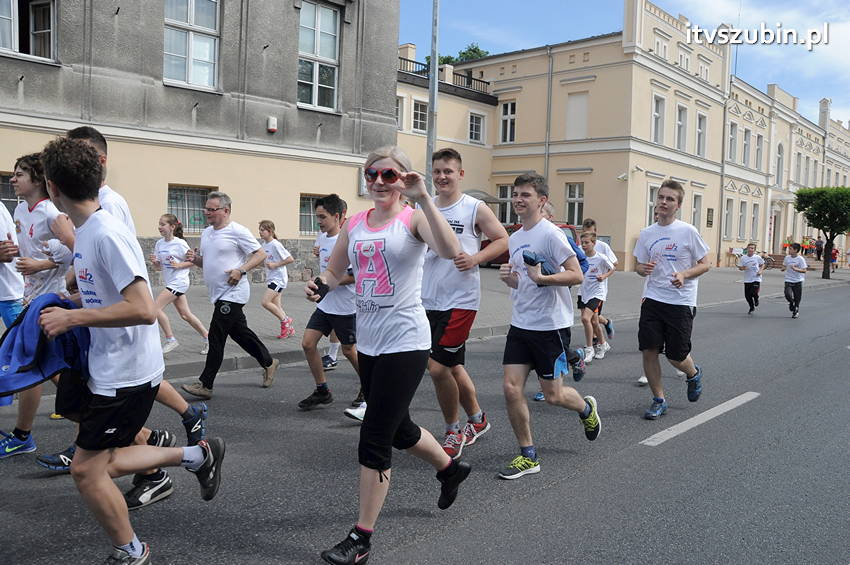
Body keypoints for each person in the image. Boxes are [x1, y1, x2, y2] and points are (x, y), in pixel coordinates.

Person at [37, 137, 225, 564]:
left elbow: (142, 309)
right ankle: (198, 454)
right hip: (112, 366)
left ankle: (132, 551)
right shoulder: (88, 231)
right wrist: (74, 304)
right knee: (104, 462)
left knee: (87, 470)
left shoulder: (104, 233)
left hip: (126, 372)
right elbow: (107, 295)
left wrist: (72, 319)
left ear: (51, 188)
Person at [307, 146, 471, 565]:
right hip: (371, 341)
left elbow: (452, 250)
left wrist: (424, 197)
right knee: (399, 428)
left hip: (406, 342)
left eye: (388, 175)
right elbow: (335, 269)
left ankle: (361, 538)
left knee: (375, 437)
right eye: (371, 174)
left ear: (402, 179)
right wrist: (321, 286)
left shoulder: (413, 217)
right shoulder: (357, 222)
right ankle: (450, 469)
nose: (379, 181)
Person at [497, 173, 601, 480]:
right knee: (510, 387)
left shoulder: (551, 234)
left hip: (550, 326)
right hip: (521, 323)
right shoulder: (514, 238)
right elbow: (523, 282)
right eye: (515, 194)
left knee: (553, 395)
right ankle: (528, 454)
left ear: (541, 201)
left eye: (525, 195)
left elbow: (576, 275)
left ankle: (586, 410)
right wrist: (511, 279)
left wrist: (543, 279)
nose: (517, 199)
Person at [422, 148, 508, 459]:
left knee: (437, 368)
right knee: (453, 366)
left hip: (461, 301)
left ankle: (454, 430)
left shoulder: (474, 207)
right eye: (437, 172)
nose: (442, 177)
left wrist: (475, 258)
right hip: (427, 299)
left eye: (448, 171)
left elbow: (502, 239)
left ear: (460, 174)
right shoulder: (426, 207)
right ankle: (478, 420)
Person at [0, 153, 73, 461]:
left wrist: (41, 263)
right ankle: (23, 435)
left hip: (50, 301)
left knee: (42, 365)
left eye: (19, 174)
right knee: (36, 365)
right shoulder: (19, 208)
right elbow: (25, 246)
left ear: (37, 180)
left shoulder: (51, 212)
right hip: (29, 297)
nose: (13, 179)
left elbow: (78, 247)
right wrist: (14, 251)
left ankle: (102, 425)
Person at [181, 192, 279, 399]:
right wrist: (195, 258)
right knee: (240, 333)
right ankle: (269, 362)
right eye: (206, 208)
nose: (207, 212)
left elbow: (261, 254)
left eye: (211, 209)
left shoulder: (238, 231)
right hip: (217, 293)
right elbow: (205, 262)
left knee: (216, 337)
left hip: (233, 293)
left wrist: (241, 270)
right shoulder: (207, 232)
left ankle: (206, 384)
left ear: (226, 211)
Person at [634, 180, 710, 419]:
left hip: (681, 301)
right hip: (653, 298)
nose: (664, 202)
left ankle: (693, 373)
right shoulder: (647, 233)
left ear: (678, 205)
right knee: (649, 350)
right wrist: (641, 269)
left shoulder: (688, 231)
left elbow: (705, 264)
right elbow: (637, 265)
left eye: (670, 199)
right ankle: (659, 399)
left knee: (676, 356)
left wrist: (684, 274)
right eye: (661, 197)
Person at [299, 194, 363, 417]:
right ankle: (322, 390)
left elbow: (355, 276)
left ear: (337, 216)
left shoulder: (349, 241)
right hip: (326, 306)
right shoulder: (322, 236)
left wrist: (327, 284)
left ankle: (369, 387)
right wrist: (320, 284)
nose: (319, 221)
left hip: (346, 306)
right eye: (317, 217)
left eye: (323, 217)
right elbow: (326, 267)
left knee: (349, 351)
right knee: (308, 344)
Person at [151, 214, 210, 354]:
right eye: (159, 224)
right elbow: (159, 267)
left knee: (154, 309)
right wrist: (155, 263)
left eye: (163, 224)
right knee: (185, 315)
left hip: (179, 282)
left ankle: (171, 339)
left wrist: (179, 265)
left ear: (172, 227)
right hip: (170, 282)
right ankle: (209, 338)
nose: (160, 227)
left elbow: (192, 261)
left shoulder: (180, 243)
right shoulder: (159, 244)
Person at [578, 231, 613, 361]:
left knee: (585, 319)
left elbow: (612, 268)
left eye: (587, 243)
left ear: (594, 243)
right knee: (594, 321)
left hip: (597, 293)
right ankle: (603, 344)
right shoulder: (580, 257)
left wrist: (603, 276)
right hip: (583, 291)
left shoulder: (601, 257)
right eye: (582, 243)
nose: (584, 245)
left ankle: (589, 349)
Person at [257, 220, 295, 339]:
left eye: (263, 230)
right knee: (277, 306)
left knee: (265, 302)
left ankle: (286, 321)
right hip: (271, 278)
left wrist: (275, 265)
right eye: (260, 229)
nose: (260, 232)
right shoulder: (264, 245)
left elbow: (290, 259)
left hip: (278, 279)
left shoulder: (276, 244)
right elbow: (263, 261)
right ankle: (290, 329)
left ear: (270, 231)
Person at [581, 218, 617, 340]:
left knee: (591, 318)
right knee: (590, 317)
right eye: (585, 232)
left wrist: (603, 274)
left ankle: (596, 341)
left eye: (591, 233)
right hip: (584, 288)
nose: (587, 237)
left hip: (598, 288)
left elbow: (614, 263)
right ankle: (606, 324)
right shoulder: (581, 246)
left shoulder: (603, 246)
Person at [737, 242, 765, 315]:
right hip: (747, 279)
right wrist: (743, 268)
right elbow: (740, 268)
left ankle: (756, 299)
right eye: (749, 248)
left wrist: (760, 271)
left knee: (753, 292)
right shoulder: (743, 258)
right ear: (747, 249)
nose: (750, 249)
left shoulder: (757, 257)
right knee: (747, 295)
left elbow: (762, 265)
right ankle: (751, 307)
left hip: (756, 278)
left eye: (752, 248)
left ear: (754, 250)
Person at [781, 243, 807, 318]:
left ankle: (796, 311)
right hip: (788, 279)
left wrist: (796, 269)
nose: (789, 250)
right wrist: (783, 269)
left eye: (791, 249)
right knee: (787, 294)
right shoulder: (787, 258)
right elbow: (784, 266)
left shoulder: (800, 259)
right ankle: (791, 303)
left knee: (797, 297)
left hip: (798, 280)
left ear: (796, 250)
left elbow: (804, 270)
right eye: (789, 248)